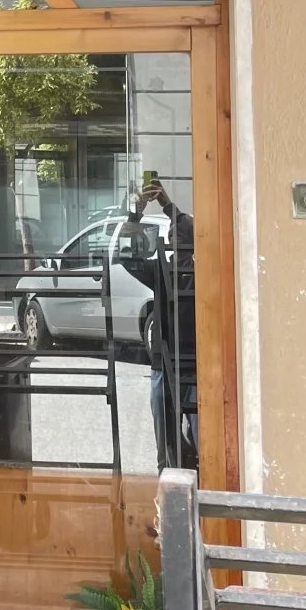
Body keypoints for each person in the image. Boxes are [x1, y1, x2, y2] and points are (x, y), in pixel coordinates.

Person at [123, 177, 197, 471]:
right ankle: (171, 481)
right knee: (169, 442)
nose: (173, 238)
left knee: (194, 441)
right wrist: (138, 213)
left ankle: (188, 481)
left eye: (179, 235)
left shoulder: (201, 273)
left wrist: (162, 208)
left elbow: (128, 257)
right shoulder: (162, 271)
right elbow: (127, 257)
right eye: (172, 235)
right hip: (166, 365)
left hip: (190, 366)